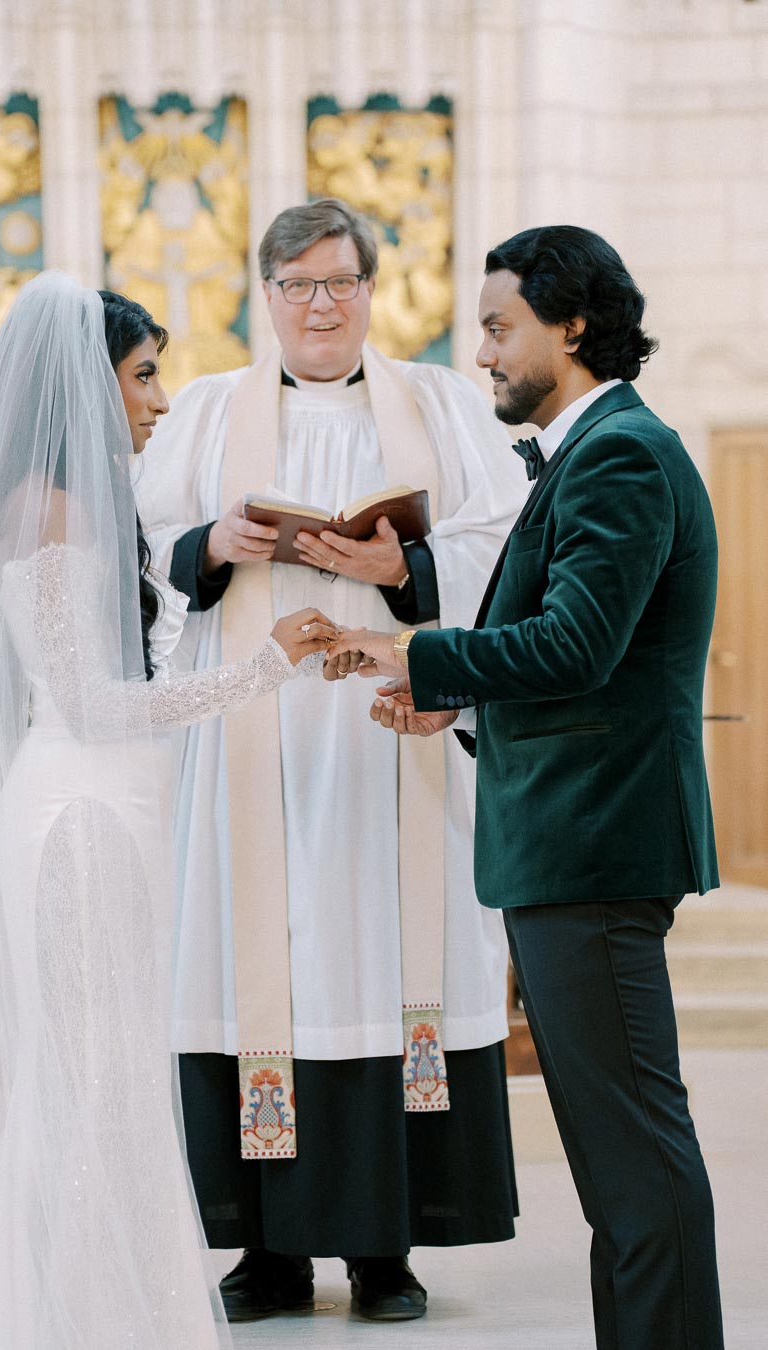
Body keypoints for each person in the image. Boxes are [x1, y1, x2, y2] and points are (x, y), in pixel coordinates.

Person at [0, 272, 337, 1349]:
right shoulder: (49, 509)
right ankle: (82, 1323)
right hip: (79, 820)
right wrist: (260, 669)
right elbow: (88, 704)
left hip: (106, 811)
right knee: (94, 1095)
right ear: (85, 385)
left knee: (111, 1088)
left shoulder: (79, 506)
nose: (160, 398)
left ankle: (98, 1313)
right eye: (142, 374)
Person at [326, 225, 725, 1350]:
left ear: (575, 326)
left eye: (501, 327)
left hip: (593, 846)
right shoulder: (594, 452)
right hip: (568, 842)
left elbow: (577, 644)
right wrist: (453, 703)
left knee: (635, 1157)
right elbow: (567, 661)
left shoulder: (621, 455)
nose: (485, 350)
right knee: (615, 1163)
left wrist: (423, 656)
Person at [134, 198, 527, 1323]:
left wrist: (405, 564)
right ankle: (263, 1253)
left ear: (371, 289)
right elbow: (148, 560)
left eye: (340, 282)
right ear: (267, 297)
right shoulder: (210, 415)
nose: (321, 305)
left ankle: (383, 1251)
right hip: (248, 758)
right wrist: (209, 546)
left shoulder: (441, 408)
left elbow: (504, 542)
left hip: (383, 746)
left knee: (372, 968)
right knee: (254, 976)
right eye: (299, 286)